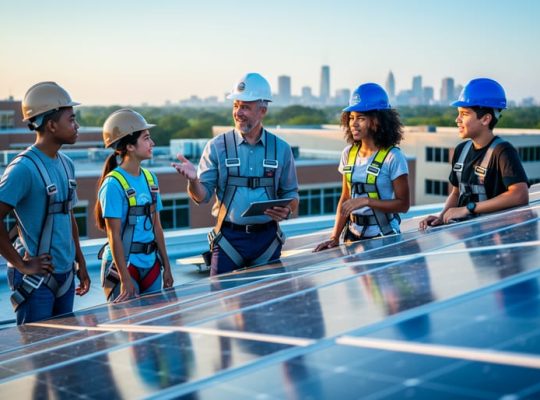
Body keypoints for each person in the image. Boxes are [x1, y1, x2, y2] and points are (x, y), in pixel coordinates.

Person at [172, 72, 299, 276]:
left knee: (270, 303)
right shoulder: (217, 147)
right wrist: (193, 181)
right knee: (223, 299)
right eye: (236, 105)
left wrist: (288, 210)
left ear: (262, 110)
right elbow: (202, 196)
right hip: (229, 240)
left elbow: (292, 194)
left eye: (246, 107)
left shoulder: (281, 149)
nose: (238, 112)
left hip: (267, 240)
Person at [0, 82, 90, 324]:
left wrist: (80, 261)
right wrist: (22, 264)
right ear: (51, 125)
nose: (77, 126)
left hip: (65, 275)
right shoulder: (23, 169)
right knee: (39, 354)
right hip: (36, 281)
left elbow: (67, 215)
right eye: (71, 120)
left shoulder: (66, 164)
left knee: (63, 351)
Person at [419, 78, 529, 229]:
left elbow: (520, 195)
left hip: (496, 235)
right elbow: (456, 193)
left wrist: (468, 208)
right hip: (469, 237)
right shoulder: (461, 151)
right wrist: (442, 216)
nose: (457, 119)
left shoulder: (502, 152)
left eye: (464, 114)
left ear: (485, 119)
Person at [314, 83, 410, 251]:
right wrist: (335, 237)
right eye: (351, 117)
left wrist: (367, 201)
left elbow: (403, 205)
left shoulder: (393, 157)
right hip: (353, 239)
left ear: (377, 121)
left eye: (361, 118)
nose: (354, 124)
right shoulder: (348, 154)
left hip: (384, 237)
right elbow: (345, 198)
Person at [95, 109, 173, 302]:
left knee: (154, 326)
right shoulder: (113, 184)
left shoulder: (150, 178)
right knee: (131, 329)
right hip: (125, 267)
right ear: (130, 146)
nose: (152, 143)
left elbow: (157, 227)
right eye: (146, 138)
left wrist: (167, 267)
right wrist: (124, 277)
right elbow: (113, 235)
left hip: (151, 264)